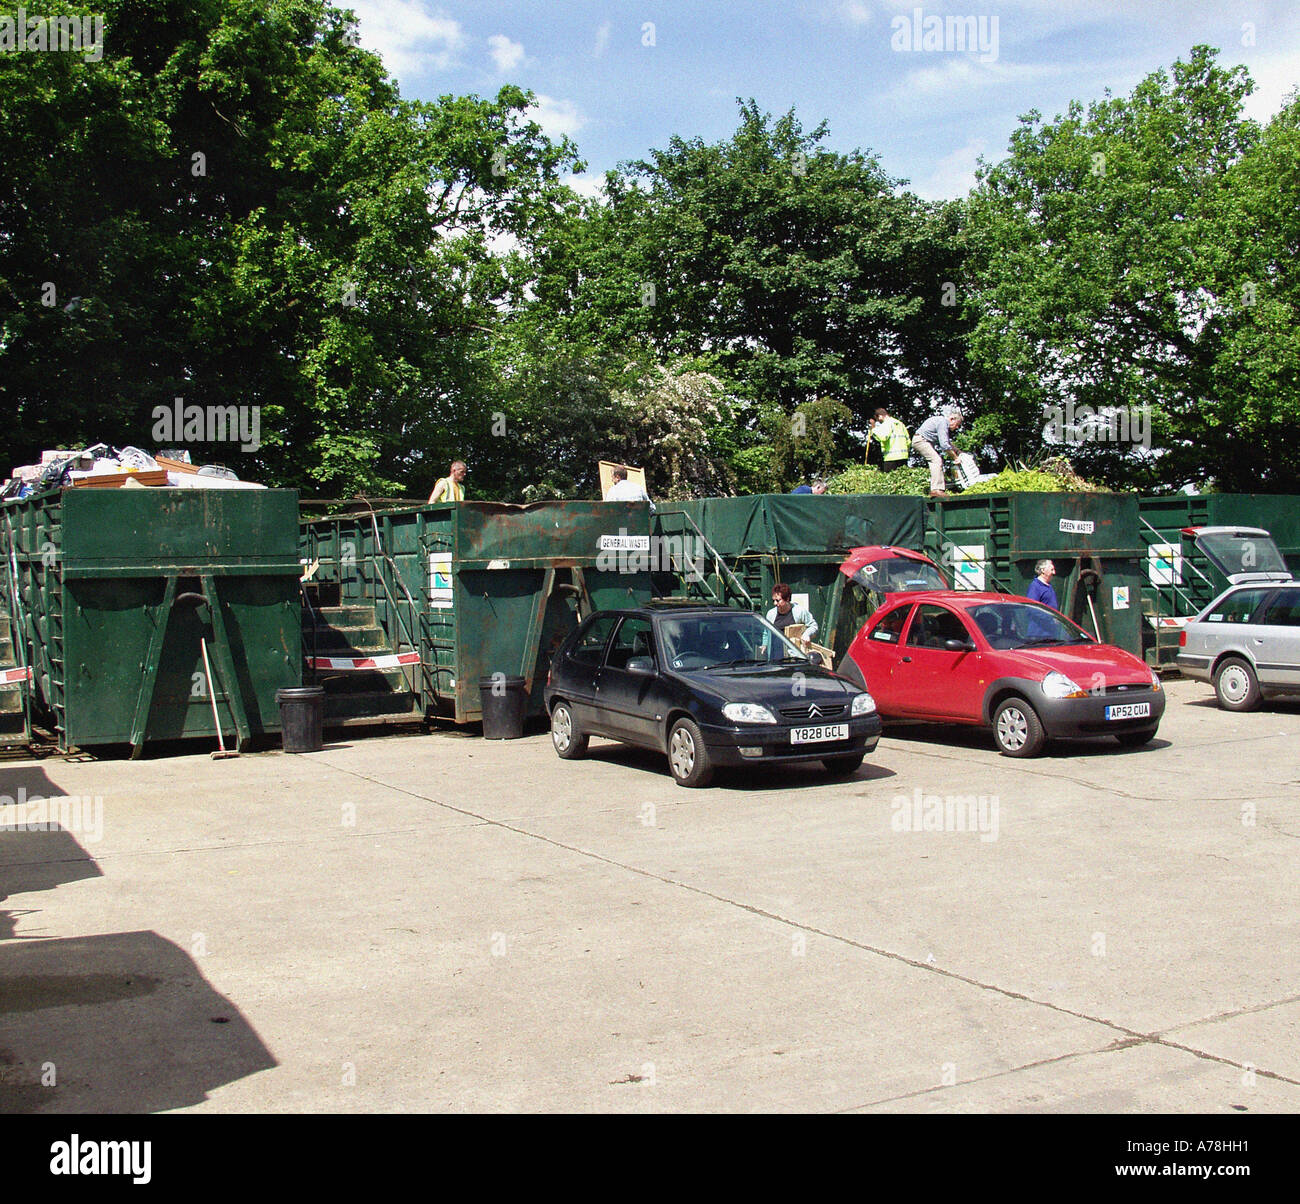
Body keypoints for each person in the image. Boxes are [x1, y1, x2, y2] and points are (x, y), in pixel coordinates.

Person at [912, 409, 963, 497]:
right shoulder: (943, 422)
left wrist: (958, 451)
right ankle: (936, 490)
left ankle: (937, 488)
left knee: (935, 460)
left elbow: (947, 443)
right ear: (952, 419)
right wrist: (955, 458)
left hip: (922, 440)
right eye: (957, 424)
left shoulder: (941, 422)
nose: (957, 427)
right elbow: (944, 445)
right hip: (921, 441)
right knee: (936, 460)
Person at [870, 408, 911, 472]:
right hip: (903, 457)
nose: (878, 421)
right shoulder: (900, 424)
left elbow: (883, 437)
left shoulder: (887, 423)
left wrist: (873, 429)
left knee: (891, 480)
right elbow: (908, 441)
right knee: (903, 479)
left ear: (880, 416)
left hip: (891, 458)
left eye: (877, 419)